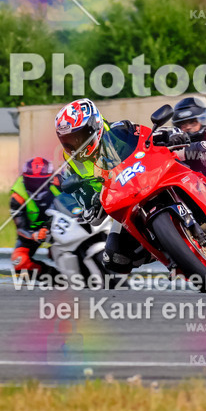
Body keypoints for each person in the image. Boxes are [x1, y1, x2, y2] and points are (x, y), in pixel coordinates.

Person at [53, 99, 149, 280]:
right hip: (126, 206)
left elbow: (149, 139)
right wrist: (92, 204)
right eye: (68, 140)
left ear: (94, 126)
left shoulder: (120, 130)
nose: (75, 144)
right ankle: (171, 255)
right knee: (114, 259)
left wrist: (167, 136)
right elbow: (90, 213)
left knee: (189, 154)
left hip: (151, 181)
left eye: (79, 136)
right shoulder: (72, 167)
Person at [9, 157, 63, 277]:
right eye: (32, 182)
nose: (37, 186)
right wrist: (35, 235)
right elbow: (20, 228)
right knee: (19, 262)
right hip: (31, 233)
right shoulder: (17, 197)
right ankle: (54, 276)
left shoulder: (59, 183)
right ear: (24, 179)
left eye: (41, 182)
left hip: (60, 227)